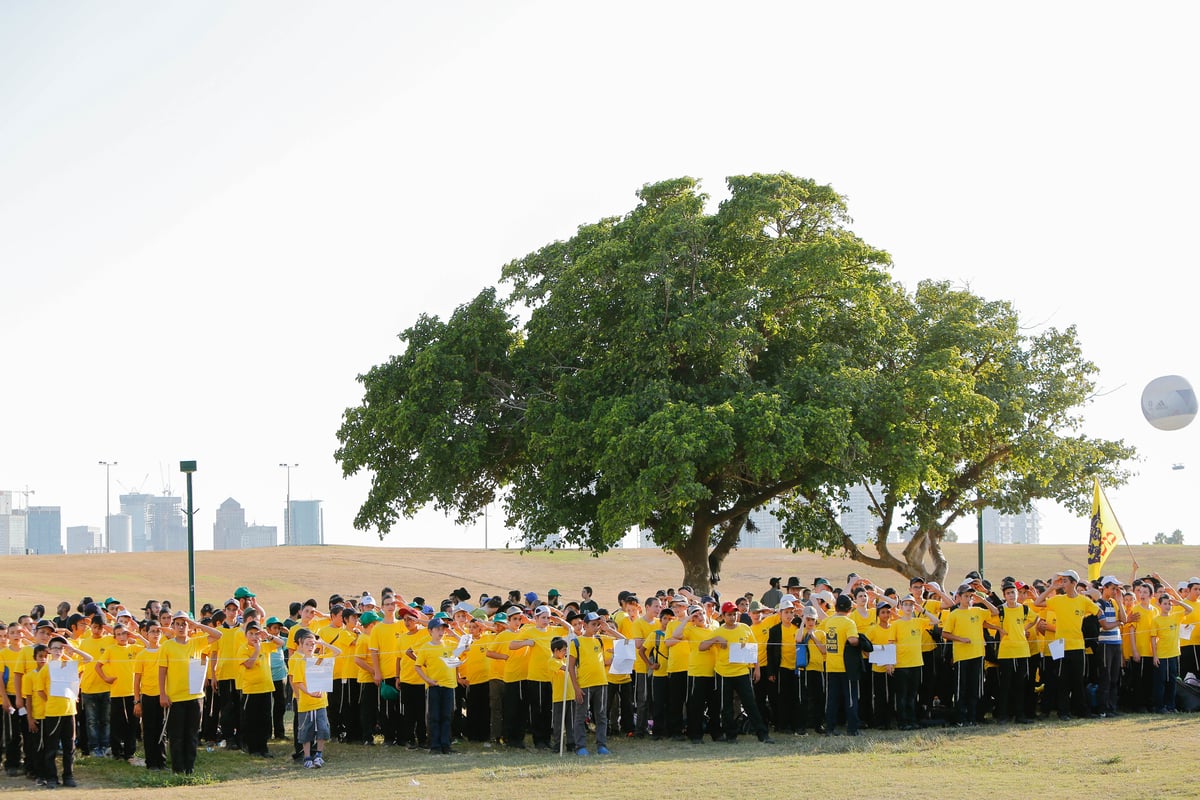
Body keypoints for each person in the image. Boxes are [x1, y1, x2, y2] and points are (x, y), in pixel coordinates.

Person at [158, 611, 223, 775]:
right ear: (173, 626)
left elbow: (218, 635)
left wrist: (197, 625)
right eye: (178, 624)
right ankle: (178, 768)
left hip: (195, 697)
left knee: (192, 735)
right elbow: (162, 671)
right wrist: (163, 694)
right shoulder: (167, 646)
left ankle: (189, 768)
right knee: (177, 735)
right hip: (176, 698)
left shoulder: (196, 643)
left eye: (184, 624)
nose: (181, 627)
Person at [702, 601, 774, 744]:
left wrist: (757, 668)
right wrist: (715, 639)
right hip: (723, 673)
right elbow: (701, 646)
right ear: (723, 616)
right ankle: (731, 735)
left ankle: (762, 734)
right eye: (729, 615)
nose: (732, 617)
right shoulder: (718, 631)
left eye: (735, 614)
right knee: (726, 707)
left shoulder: (745, 628)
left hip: (742, 672)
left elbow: (753, 649)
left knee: (750, 704)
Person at [1033, 570, 1099, 719]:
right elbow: (1037, 603)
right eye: (1062, 581)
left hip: (1077, 646)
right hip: (1060, 646)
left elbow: (1098, 611)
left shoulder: (1083, 600)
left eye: (1065, 581)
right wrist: (1051, 587)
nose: (1062, 584)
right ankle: (1064, 712)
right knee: (1062, 680)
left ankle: (1081, 711)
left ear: (1074, 583)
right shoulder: (1058, 600)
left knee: (1078, 680)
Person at [35, 636, 93, 788]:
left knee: (69, 746)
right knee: (51, 748)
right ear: (49, 651)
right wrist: (51, 700)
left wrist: (72, 650)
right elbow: (40, 690)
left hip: (69, 712)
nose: (58, 651)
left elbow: (89, 659)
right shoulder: (47, 668)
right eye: (55, 648)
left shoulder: (70, 665)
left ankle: (68, 776)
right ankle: (52, 777)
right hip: (53, 713)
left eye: (61, 648)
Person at [940, 583, 999, 726]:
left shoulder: (978, 611)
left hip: (978, 655)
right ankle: (960, 719)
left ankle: (972, 718)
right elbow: (945, 633)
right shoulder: (954, 614)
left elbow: (995, 612)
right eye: (965, 596)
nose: (968, 599)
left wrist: (982, 600)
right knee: (961, 689)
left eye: (970, 596)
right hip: (962, 656)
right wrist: (960, 639)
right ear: (959, 597)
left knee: (975, 688)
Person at [568, 612, 620, 755]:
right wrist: (576, 688)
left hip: (601, 683)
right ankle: (581, 746)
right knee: (580, 716)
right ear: (584, 625)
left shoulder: (600, 639)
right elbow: (570, 667)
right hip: (584, 684)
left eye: (598, 624)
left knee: (601, 715)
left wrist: (607, 629)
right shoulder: (576, 642)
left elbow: (624, 640)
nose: (596, 627)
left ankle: (601, 745)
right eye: (593, 624)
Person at [289, 628, 341, 768]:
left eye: (312, 644)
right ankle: (307, 757)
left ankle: (318, 755)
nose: (310, 647)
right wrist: (308, 693)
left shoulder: (319, 660)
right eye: (307, 644)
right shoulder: (299, 661)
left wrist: (322, 644)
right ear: (301, 644)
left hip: (321, 702)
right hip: (306, 703)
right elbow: (297, 682)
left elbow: (338, 652)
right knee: (306, 730)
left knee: (323, 729)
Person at [413, 617, 461, 754]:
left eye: (443, 629)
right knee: (434, 716)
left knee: (447, 716)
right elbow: (418, 666)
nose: (441, 632)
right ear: (430, 631)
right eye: (438, 629)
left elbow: (467, 646)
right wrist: (427, 680)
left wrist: (454, 633)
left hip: (449, 686)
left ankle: (446, 745)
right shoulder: (425, 647)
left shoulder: (449, 645)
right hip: (434, 686)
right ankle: (435, 745)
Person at [815, 594, 861, 736]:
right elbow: (853, 640)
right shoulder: (849, 622)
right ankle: (852, 729)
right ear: (850, 608)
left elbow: (818, 631)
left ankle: (830, 727)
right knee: (851, 698)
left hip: (831, 665)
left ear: (835, 607)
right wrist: (862, 641)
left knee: (832, 699)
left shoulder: (829, 621)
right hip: (846, 667)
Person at [132, 622, 167, 770]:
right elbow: (137, 679)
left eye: (158, 631)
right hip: (147, 695)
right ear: (146, 634)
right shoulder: (142, 655)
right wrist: (137, 701)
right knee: (149, 730)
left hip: (162, 695)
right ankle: (151, 762)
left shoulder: (165, 651)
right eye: (152, 631)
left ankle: (162, 761)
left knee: (162, 731)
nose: (155, 634)